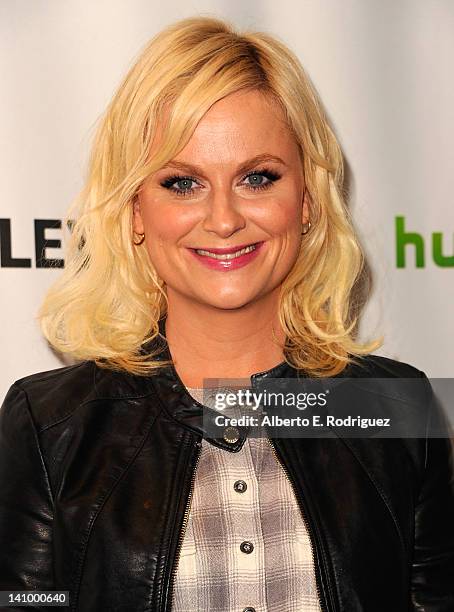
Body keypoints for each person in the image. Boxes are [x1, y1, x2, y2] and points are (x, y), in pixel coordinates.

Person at [0, 15, 453, 612]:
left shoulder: (395, 409)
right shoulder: (50, 425)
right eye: (182, 183)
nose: (222, 219)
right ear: (135, 210)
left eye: (257, 177)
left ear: (309, 198)